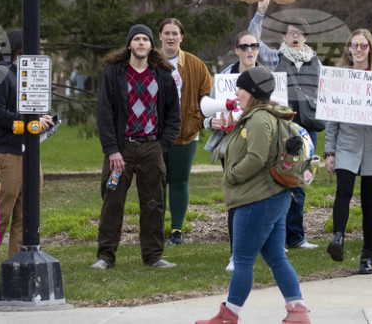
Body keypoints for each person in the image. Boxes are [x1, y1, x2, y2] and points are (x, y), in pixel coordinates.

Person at [196, 66, 309, 324]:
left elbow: (256, 158)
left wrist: (231, 174)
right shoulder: (268, 114)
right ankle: (298, 310)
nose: (237, 92)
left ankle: (229, 316)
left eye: (241, 88)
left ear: (253, 92)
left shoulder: (258, 119)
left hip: (256, 200)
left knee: (243, 260)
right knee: (276, 257)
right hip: (274, 197)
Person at [92, 24, 181, 270]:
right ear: (129, 44)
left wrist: (162, 145)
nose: (141, 43)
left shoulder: (162, 74)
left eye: (145, 39)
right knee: (112, 202)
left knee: (153, 203)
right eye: (137, 39)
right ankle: (105, 256)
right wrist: (112, 150)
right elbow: (104, 114)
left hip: (152, 147)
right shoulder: (114, 73)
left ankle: (153, 256)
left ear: (152, 45)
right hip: (121, 149)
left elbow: (174, 114)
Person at [0, 30, 54, 288]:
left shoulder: (30, 74)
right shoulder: (0, 73)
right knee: (1, 213)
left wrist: (42, 122)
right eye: (34, 45)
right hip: (7, 154)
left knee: (27, 214)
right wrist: (29, 124)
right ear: (19, 47)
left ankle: (17, 266)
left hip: (31, 153)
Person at [250, 0, 320, 250]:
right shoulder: (272, 59)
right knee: (278, 179)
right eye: (291, 33)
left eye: (300, 33)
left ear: (305, 37)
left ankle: (296, 236)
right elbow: (252, 41)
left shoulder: (316, 62)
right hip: (282, 130)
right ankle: (273, 235)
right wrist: (260, 14)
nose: (295, 37)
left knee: (300, 181)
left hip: (308, 130)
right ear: (283, 36)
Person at [324, 29, 372, 275]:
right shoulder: (340, 77)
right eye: (355, 45)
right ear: (349, 48)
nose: (359, 50)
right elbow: (332, 117)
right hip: (347, 142)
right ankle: (338, 238)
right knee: (343, 191)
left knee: (368, 202)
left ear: (370, 48)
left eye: (364, 46)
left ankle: (367, 255)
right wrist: (329, 151)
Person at [203, 30, 263, 272]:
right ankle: (236, 254)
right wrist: (212, 123)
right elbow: (208, 111)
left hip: (260, 145)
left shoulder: (267, 76)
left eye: (254, 46)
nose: (250, 50)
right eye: (245, 46)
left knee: (263, 197)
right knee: (236, 200)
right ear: (237, 50)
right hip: (232, 147)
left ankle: (268, 247)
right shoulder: (225, 79)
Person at [158, 18, 213, 246]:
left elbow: (207, 97)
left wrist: (196, 122)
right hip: (154, 134)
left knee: (179, 181)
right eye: (167, 33)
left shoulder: (195, 64)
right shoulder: (148, 61)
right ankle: (155, 229)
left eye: (175, 33)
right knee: (156, 182)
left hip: (185, 133)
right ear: (159, 36)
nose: (171, 37)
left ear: (182, 37)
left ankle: (177, 230)